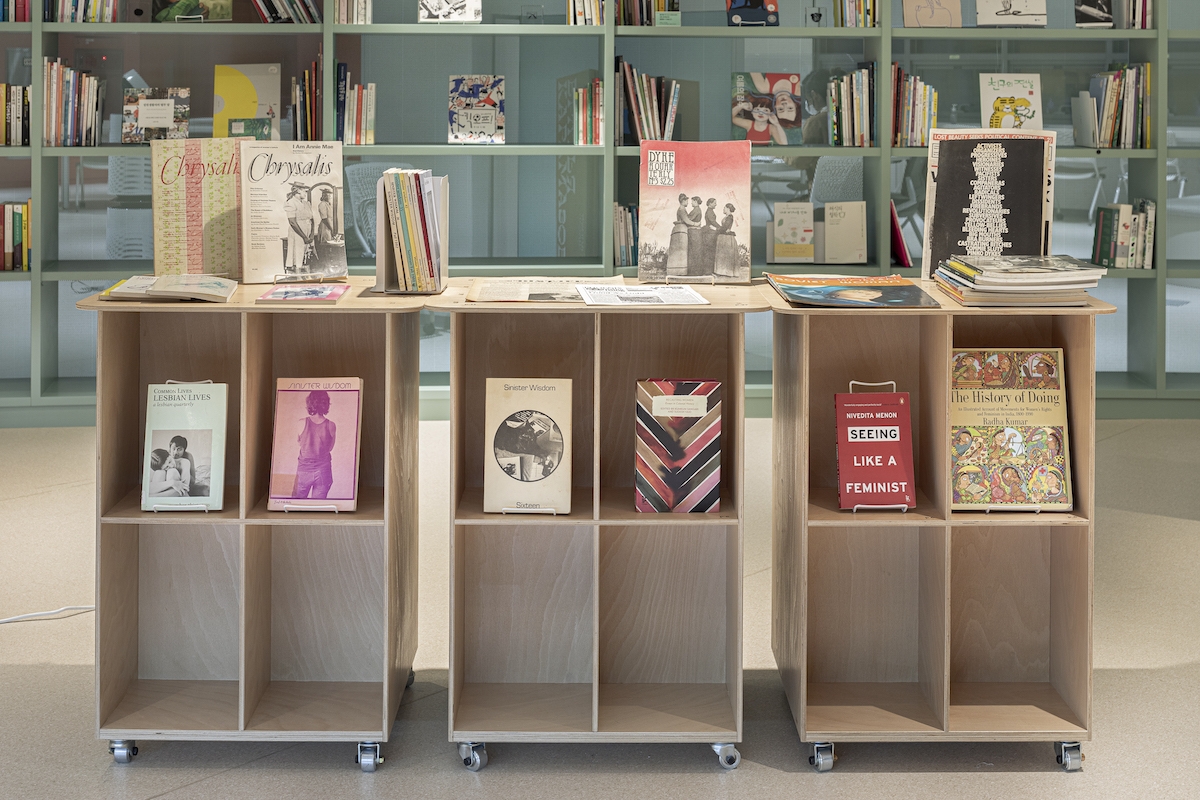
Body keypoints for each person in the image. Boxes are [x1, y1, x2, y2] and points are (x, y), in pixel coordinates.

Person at [293, 390, 337, 500]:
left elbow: (299, 442)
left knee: (297, 504)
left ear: (310, 403)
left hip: (304, 470)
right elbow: (330, 448)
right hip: (323, 471)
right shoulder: (331, 425)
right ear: (326, 403)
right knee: (318, 505)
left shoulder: (301, 422)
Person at [284, 185, 314, 273]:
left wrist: (312, 234)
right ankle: (298, 275)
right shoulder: (291, 203)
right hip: (297, 232)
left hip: (308, 231)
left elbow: (312, 219)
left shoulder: (306, 203)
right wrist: (304, 237)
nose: (305, 193)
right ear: (298, 191)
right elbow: (292, 222)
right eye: (304, 191)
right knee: (298, 253)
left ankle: (305, 275)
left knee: (306, 253)